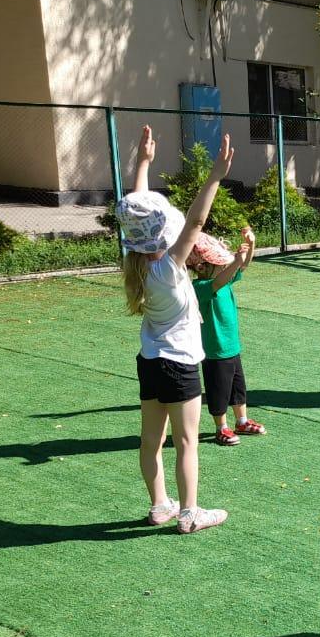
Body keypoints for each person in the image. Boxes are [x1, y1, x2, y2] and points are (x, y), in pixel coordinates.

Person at [116, 125, 229, 534]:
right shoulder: (168, 268)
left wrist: (143, 162)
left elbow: (139, 212)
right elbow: (196, 221)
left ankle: (160, 505)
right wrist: (215, 176)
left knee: (151, 441)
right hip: (180, 365)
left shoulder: (136, 262)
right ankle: (189, 514)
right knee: (186, 442)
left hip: (150, 362)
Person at [188, 229, 268, 447]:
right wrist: (234, 262)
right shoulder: (200, 287)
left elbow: (242, 266)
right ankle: (221, 427)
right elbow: (220, 280)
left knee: (238, 387)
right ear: (202, 267)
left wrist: (250, 245)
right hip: (215, 351)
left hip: (232, 347)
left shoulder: (224, 280)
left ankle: (241, 420)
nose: (224, 266)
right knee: (218, 390)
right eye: (219, 264)